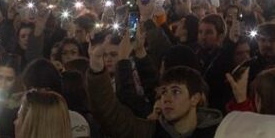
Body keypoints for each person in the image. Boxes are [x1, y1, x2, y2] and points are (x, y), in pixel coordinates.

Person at [87, 39, 222, 138]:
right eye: (164, 92)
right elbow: (111, 116)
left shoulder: (219, 132)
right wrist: (97, 70)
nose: (167, 99)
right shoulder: (150, 132)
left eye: (176, 92)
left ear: (195, 98)